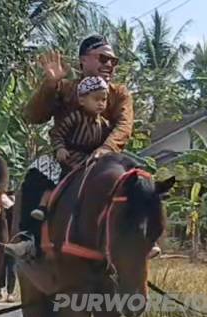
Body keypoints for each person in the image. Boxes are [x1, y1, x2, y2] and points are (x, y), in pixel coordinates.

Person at [11, 34, 136, 258]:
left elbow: (124, 126)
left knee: (141, 182)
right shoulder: (65, 88)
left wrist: (105, 149)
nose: (108, 64)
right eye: (103, 58)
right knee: (34, 177)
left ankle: (140, 240)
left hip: (106, 159)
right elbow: (33, 116)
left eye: (113, 61)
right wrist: (50, 85)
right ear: (83, 60)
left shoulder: (120, 93)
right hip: (66, 157)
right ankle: (28, 239)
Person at [31, 75, 112, 221]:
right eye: (96, 99)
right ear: (82, 100)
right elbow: (56, 134)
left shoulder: (104, 124)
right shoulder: (75, 117)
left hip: (89, 160)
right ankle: (43, 206)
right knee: (55, 179)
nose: (100, 103)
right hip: (68, 157)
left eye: (103, 100)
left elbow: (107, 143)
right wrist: (60, 148)